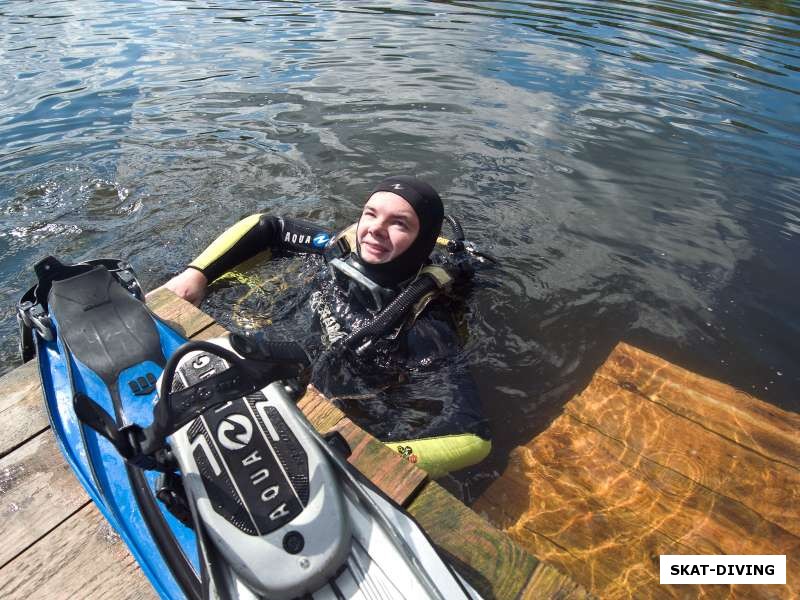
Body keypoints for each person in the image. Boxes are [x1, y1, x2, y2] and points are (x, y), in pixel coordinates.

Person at [162, 176, 491, 477]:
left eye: (399, 224)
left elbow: (473, 437)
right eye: (371, 213)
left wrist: (378, 457)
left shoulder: (423, 328)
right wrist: (197, 274)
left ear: (422, 241)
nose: (375, 229)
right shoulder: (339, 250)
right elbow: (268, 225)